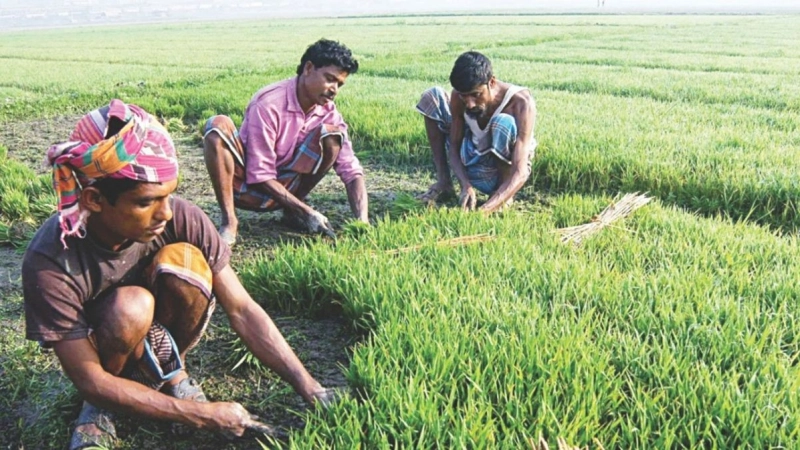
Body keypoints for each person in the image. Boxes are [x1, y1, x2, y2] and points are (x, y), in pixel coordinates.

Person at [22, 100, 337, 450]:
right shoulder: (51, 259)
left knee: (187, 262)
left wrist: (311, 388)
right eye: (147, 202)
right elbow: (88, 377)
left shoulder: (183, 218)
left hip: (158, 330)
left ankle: (173, 371)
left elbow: (243, 309)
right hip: (104, 349)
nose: (166, 214)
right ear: (94, 199)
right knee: (132, 306)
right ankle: (99, 408)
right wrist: (199, 414)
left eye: (169, 196)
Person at [203, 39, 368, 245]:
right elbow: (259, 174)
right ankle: (229, 221)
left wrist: (362, 221)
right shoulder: (269, 103)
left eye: (339, 84)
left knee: (333, 136)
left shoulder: (328, 112)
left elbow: (351, 170)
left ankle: (292, 212)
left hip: (286, 187)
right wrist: (308, 212)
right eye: (329, 79)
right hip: (246, 184)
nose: (334, 89)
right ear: (308, 68)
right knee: (217, 126)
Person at [415, 51, 537, 213]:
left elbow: (520, 171)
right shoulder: (459, 97)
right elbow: (454, 148)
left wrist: (485, 210)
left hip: (497, 174)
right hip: (471, 161)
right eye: (464, 96)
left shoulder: (521, 103)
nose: (470, 104)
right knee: (432, 96)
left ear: (491, 82)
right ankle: (444, 183)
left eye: (476, 95)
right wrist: (465, 185)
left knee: (502, 123)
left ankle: (502, 195)